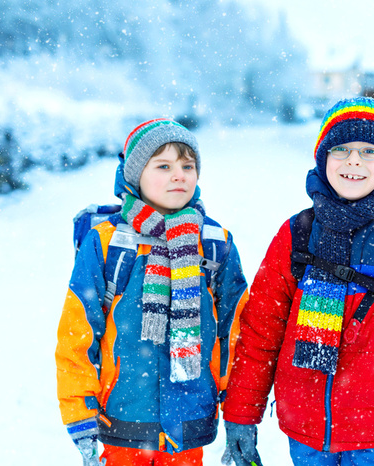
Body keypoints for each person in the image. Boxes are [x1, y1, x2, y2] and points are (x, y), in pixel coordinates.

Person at [221, 98, 374, 466]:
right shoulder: (298, 233)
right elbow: (260, 333)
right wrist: (241, 417)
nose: (353, 161)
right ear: (323, 159)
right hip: (306, 435)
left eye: (369, 151)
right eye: (341, 149)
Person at [56, 119, 248, 465]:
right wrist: (79, 413)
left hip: (190, 419)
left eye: (187, 166)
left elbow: (234, 332)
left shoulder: (214, 243)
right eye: (164, 166)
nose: (180, 175)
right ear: (135, 175)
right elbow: (78, 333)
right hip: (123, 415)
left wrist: (237, 408)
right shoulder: (106, 242)